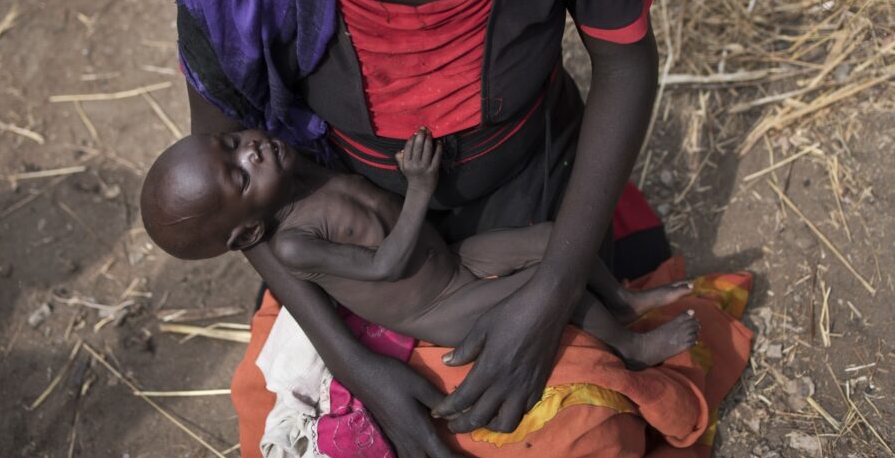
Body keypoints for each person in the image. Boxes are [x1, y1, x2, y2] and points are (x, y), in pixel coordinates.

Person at [155, 0, 663, 455]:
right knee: (289, 423)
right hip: (355, 245)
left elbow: (625, 65)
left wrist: (555, 287)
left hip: (530, 192)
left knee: (588, 431)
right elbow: (234, 181)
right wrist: (355, 367)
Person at [142, 127, 698, 366]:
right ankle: (631, 348)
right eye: (240, 176)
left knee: (556, 241)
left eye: (233, 143)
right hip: (439, 307)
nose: (252, 151)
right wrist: (421, 187)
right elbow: (385, 264)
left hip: (453, 261)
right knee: (550, 286)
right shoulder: (292, 247)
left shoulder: (296, 174)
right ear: (247, 235)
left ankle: (623, 302)